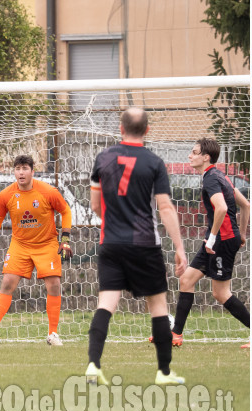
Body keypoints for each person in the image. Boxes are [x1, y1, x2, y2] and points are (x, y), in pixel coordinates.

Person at [85, 107, 188, 385]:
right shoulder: (154, 162)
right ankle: (164, 373)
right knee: (158, 306)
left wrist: (115, 223)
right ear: (147, 130)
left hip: (110, 243)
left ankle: (94, 365)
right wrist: (179, 247)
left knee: (106, 303)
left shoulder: (103, 158)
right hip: (144, 244)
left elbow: (95, 205)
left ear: (121, 128)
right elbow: (165, 207)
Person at [0, 155, 73, 346]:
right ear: (14, 172)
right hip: (20, 245)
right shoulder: (6, 195)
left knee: (53, 284)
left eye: (25, 168)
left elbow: (66, 211)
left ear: (32, 171)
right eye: (18, 168)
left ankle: (53, 334)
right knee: (8, 282)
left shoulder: (47, 191)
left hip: (47, 244)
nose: (21, 172)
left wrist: (66, 238)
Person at [169, 138, 250, 348]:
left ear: (206, 157)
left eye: (194, 152)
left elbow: (221, 208)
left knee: (220, 293)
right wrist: (241, 234)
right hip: (220, 239)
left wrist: (214, 238)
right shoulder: (219, 176)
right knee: (186, 280)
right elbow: (246, 205)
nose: (190, 155)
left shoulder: (211, 179)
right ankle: (175, 334)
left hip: (220, 241)